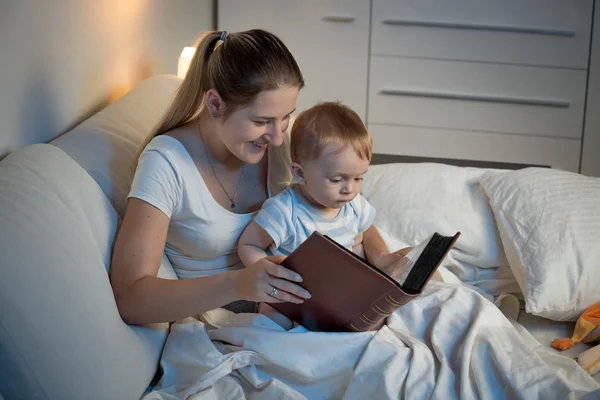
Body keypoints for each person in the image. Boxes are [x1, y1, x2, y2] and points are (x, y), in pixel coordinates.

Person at [110, 29, 410, 325]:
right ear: (215, 104)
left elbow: (349, 207)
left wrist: (380, 257)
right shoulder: (166, 164)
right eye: (262, 121)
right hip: (237, 316)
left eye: (285, 117)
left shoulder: (275, 143)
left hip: (306, 300)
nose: (279, 139)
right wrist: (238, 284)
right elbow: (131, 299)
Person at [237, 102, 412, 328]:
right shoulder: (284, 210)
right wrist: (270, 275)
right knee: (273, 321)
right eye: (337, 179)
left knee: (382, 318)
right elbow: (249, 244)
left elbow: (366, 230)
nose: (349, 189)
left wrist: (381, 257)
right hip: (293, 297)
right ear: (300, 174)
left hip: (340, 297)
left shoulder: (354, 205)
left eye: (359, 178)